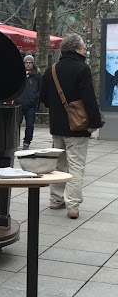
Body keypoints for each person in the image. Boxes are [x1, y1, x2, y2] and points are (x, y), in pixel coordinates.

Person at [39, 33, 104, 219]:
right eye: (83, 47)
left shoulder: (51, 69)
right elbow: (89, 99)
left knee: (58, 164)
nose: (85, 49)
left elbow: (43, 98)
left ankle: (56, 199)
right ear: (76, 49)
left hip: (57, 126)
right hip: (78, 127)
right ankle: (73, 205)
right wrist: (94, 123)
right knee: (76, 166)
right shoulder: (82, 69)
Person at [14, 54, 42, 150]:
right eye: (26, 62)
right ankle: (15, 141)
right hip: (19, 103)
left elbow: (40, 89)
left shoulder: (37, 75)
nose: (28, 64)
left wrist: (35, 97)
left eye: (30, 62)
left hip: (31, 104)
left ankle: (27, 142)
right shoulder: (19, 74)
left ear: (33, 64)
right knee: (16, 125)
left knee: (30, 125)